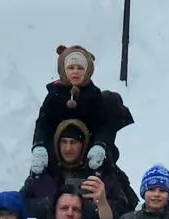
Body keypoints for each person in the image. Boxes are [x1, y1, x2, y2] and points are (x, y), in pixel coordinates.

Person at [26, 44, 132, 175]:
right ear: (63, 70)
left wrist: (100, 145)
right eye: (71, 67)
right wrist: (39, 146)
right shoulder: (54, 95)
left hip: (90, 154)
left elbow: (104, 124)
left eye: (80, 68)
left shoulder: (94, 95)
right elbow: (43, 123)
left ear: (88, 71)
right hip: (58, 152)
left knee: (115, 179)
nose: (75, 71)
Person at [20, 116, 133, 219]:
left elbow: (123, 207)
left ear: (83, 145)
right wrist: (54, 205)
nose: (68, 148)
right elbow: (19, 204)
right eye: (64, 142)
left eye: (73, 142)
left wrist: (86, 207)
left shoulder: (98, 171)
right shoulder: (45, 171)